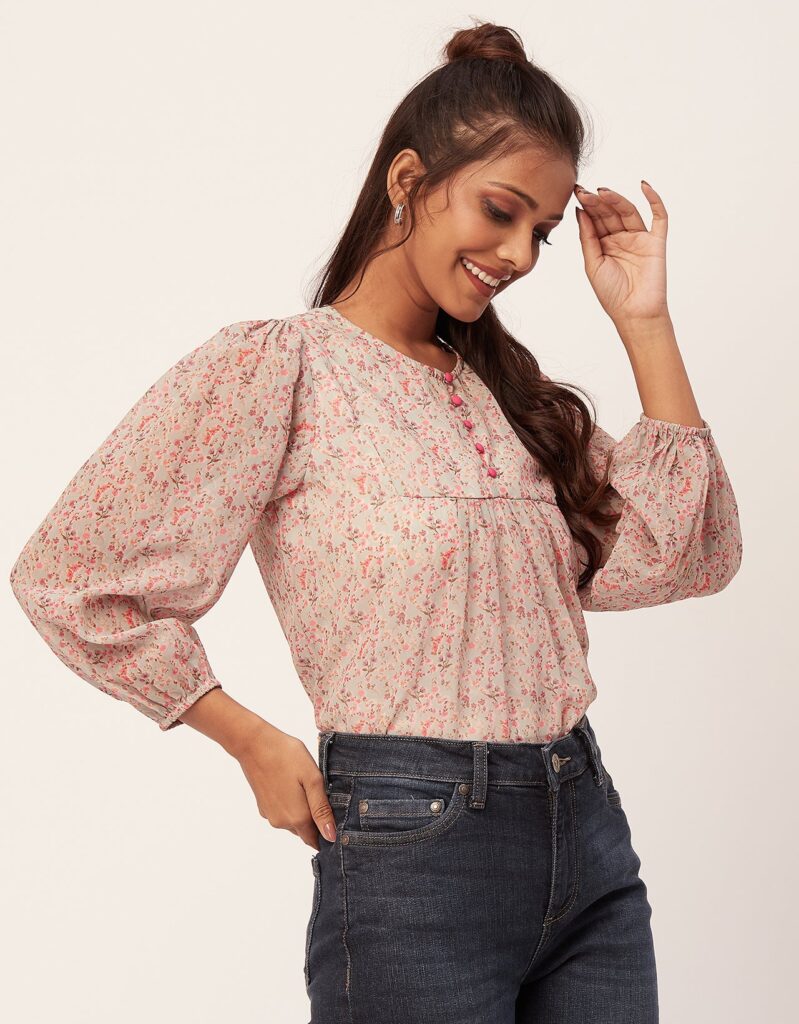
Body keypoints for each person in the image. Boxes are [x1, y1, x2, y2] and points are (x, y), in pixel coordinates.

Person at [9, 19, 741, 1024]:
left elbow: (683, 553)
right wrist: (243, 735)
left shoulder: (513, 400)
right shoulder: (283, 368)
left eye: (540, 230)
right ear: (408, 179)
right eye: (500, 210)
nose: (518, 254)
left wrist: (644, 323)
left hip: (589, 839)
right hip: (412, 853)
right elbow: (71, 575)